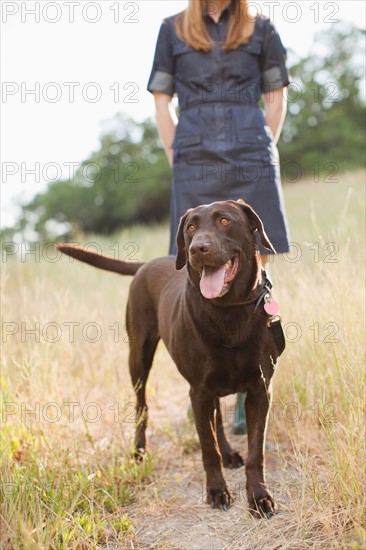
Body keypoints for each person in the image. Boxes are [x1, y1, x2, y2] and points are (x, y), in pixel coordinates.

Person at [147, 0, 290, 434]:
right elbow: (161, 101)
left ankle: (253, 381)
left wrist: (264, 148)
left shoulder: (260, 29)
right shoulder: (171, 29)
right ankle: (206, 373)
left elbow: (276, 97)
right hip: (192, 153)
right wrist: (176, 154)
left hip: (250, 151)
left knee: (255, 254)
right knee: (200, 257)